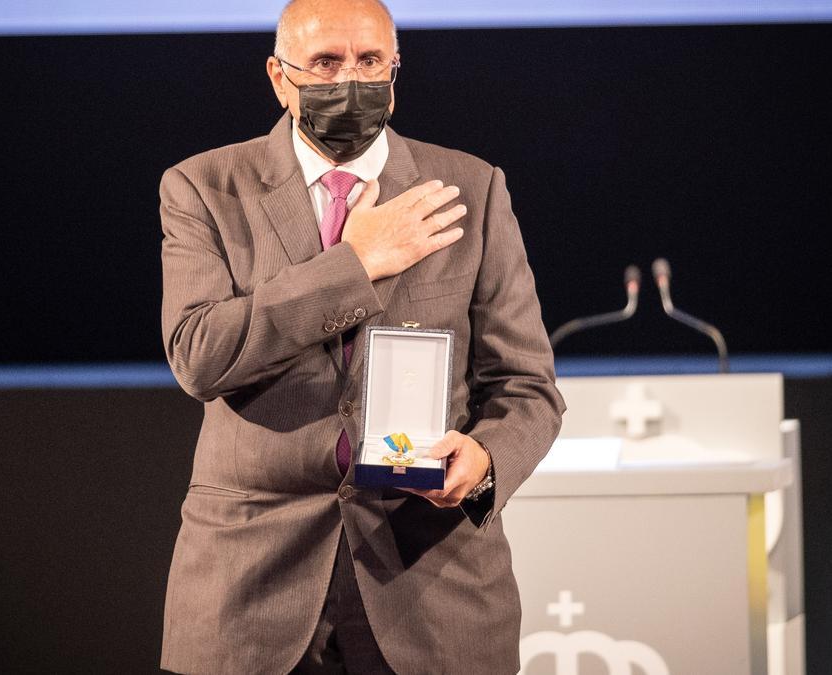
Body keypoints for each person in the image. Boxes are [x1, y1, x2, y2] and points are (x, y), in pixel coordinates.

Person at [159, 0, 565, 672]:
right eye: (326, 62)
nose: (353, 80)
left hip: (432, 584)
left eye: (371, 61)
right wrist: (354, 264)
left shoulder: (471, 187)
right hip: (251, 587)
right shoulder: (205, 188)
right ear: (279, 77)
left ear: (395, 68)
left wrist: (485, 459)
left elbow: (527, 387)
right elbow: (200, 354)